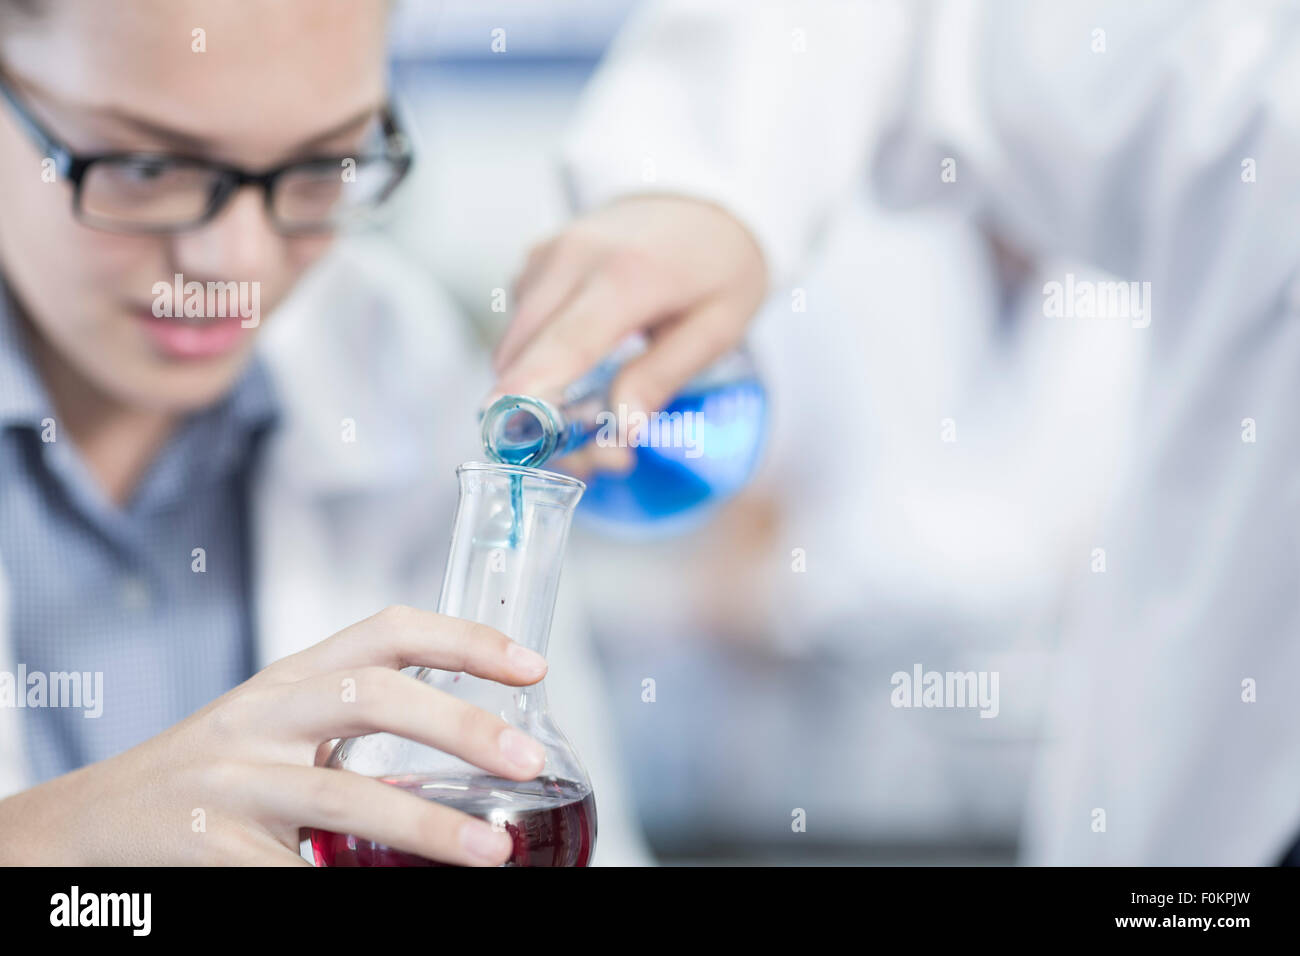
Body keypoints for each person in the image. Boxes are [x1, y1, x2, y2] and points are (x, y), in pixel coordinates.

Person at [500, 0, 1300, 864]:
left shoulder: (1101, 314)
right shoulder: (1247, 85)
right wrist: (697, 184)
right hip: (839, 763)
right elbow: (916, 25)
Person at [0, 0, 650, 866]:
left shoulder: (394, 365)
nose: (233, 262)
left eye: (319, 166)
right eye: (148, 166)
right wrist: (53, 842)